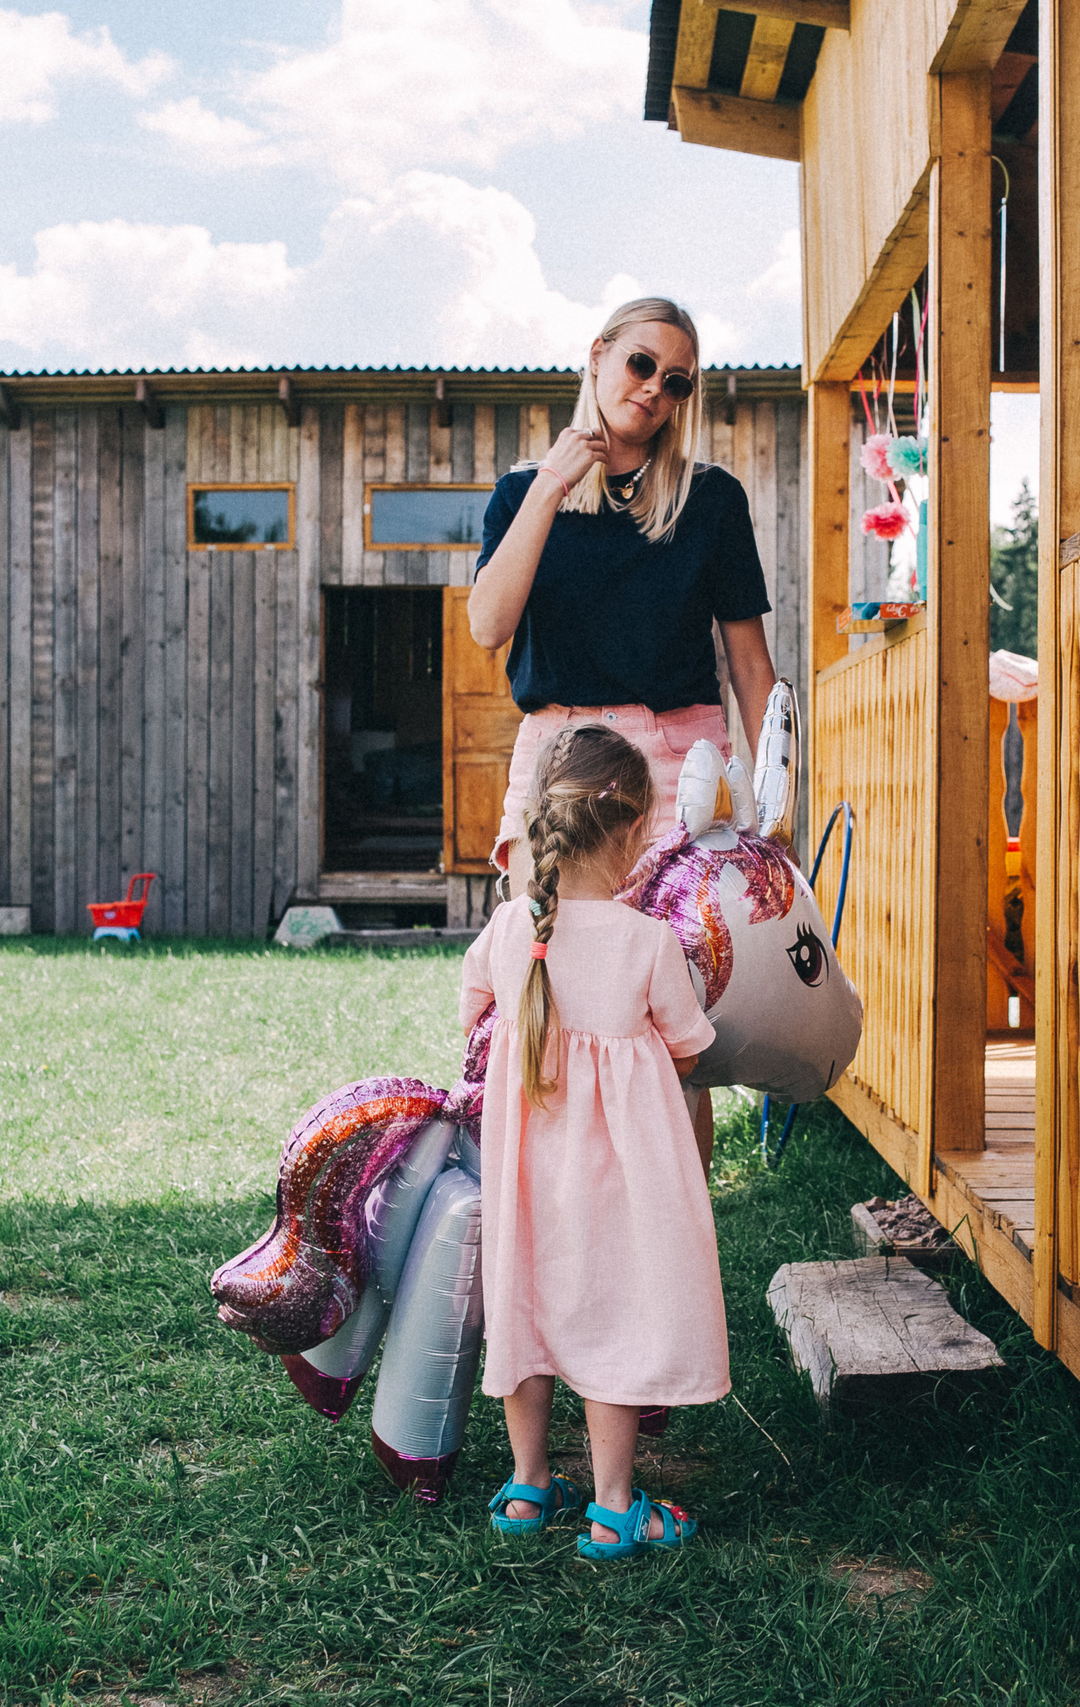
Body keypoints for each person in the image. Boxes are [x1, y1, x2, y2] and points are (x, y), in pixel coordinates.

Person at [467, 296, 777, 1175]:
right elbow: (490, 625)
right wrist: (554, 486)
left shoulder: (709, 501)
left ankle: (674, 1230)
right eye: (640, 364)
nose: (653, 389)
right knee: (547, 978)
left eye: (675, 381)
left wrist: (777, 793)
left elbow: (750, 663)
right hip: (560, 756)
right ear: (598, 356)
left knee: (678, 1010)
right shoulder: (526, 493)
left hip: (682, 760)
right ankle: (556, 1211)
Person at [464, 724, 726, 1559]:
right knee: (613, 1315)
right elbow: (691, 1046)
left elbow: (471, 1013)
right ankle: (614, 1506)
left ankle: (528, 1486)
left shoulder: (511, 929)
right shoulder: (648, 942)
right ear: (626, 834)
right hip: (614, 1184)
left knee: (527, 1311)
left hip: (525, 1181)